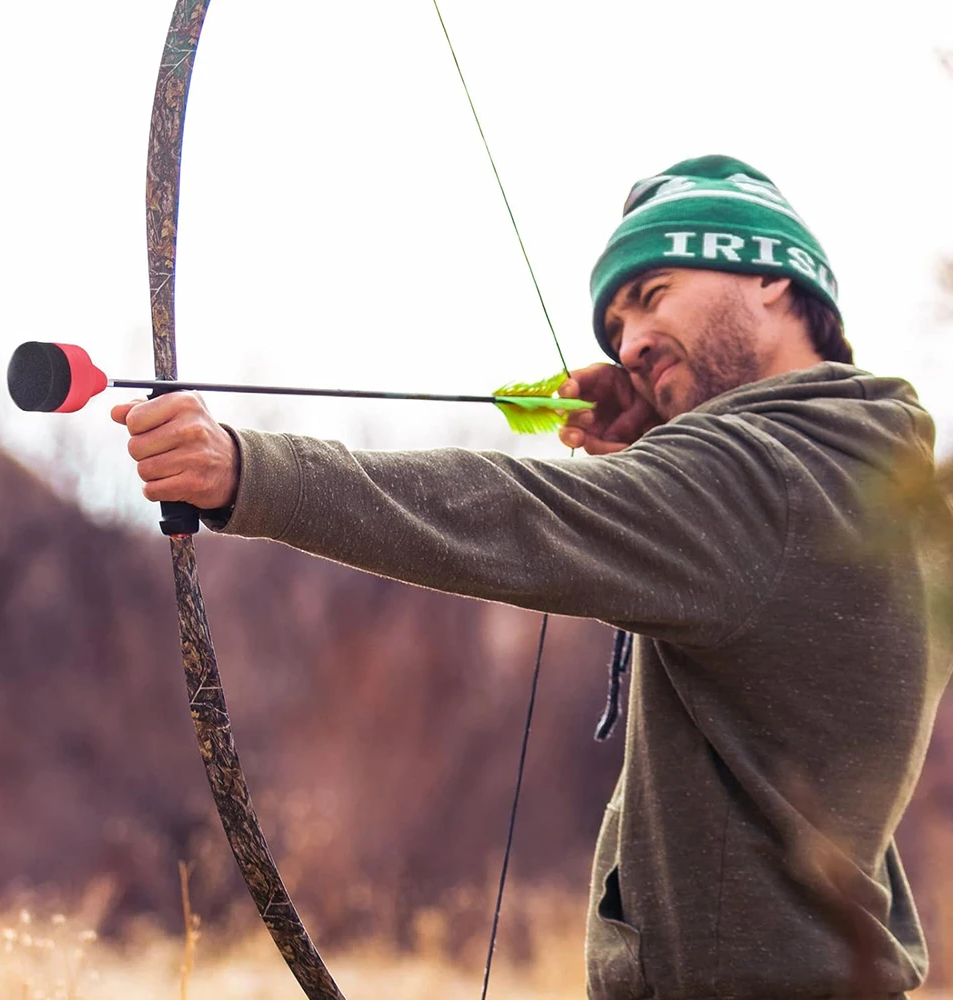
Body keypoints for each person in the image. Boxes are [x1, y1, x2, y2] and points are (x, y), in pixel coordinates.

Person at [113, 156, 948, 1000]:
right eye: (616, 327)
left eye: (654, 292)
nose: (629, 344)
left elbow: (510, 510)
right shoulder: (882, 488)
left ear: (771, 276)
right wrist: (660, 443)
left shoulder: (758, 482)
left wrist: (247, 472)